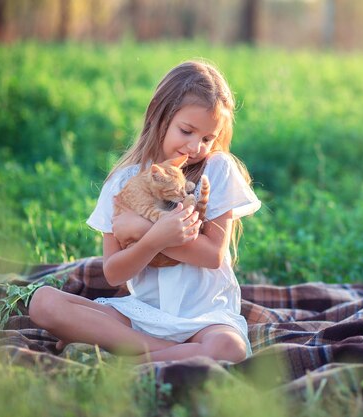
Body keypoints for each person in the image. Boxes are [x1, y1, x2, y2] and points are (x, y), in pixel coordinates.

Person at [29, 60, 260, 363]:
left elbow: (212, 255)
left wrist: (145, 232)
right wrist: (154, 242)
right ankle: (158, 352)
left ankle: (127, 354)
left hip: (205, 317)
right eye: (187, 131)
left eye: (207, 138)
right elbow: (114, 272)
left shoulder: (216, 169)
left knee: (230, 347)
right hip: (143, 316)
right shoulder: (122, 183)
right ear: (158, 115)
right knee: (43, 303)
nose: (195, 147)